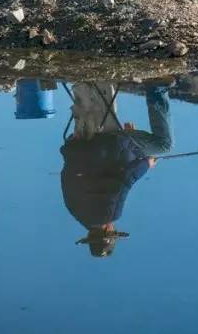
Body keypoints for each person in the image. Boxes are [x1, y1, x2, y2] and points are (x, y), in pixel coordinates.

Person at [60, 83, 174, 257]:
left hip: (110, 143)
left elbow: (125, 179)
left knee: (164, 146)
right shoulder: (74, 211)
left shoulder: (109, 215)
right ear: (90, 234)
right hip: (78, 144)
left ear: (108, 231)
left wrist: (145, 164)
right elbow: (66, 174)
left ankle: (157, 89)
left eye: (113, 231)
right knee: (128, 151)